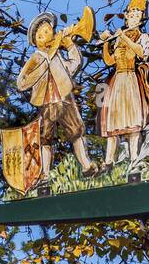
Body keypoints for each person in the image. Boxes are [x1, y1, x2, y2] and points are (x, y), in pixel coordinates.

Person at [16, 12, 97, 183]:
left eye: (48, 31)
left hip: (64, 98)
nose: (47, 35)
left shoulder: (57, 56)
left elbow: (72, 67)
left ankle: (86, 165)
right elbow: (21, 83)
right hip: (47, 103)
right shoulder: (36, 58)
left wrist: (70, 47)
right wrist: (45, 62)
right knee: (45, 137)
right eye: (42, 34)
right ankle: (45, 173)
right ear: (36, 40)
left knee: (76, 131)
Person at [97, 0, 149, 168]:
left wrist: (124, 37)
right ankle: (109, 160)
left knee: (132, 120)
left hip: (131, 80)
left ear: (141, 19)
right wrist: (105, 43)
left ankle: (134, 158)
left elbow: (141, 53)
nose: (133, 18)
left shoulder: (142, 37)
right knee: (113, 120)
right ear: (127, 16)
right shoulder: (118, 39)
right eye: (131, 15)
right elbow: (109, 61)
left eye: (137, 16)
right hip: (117, 81)